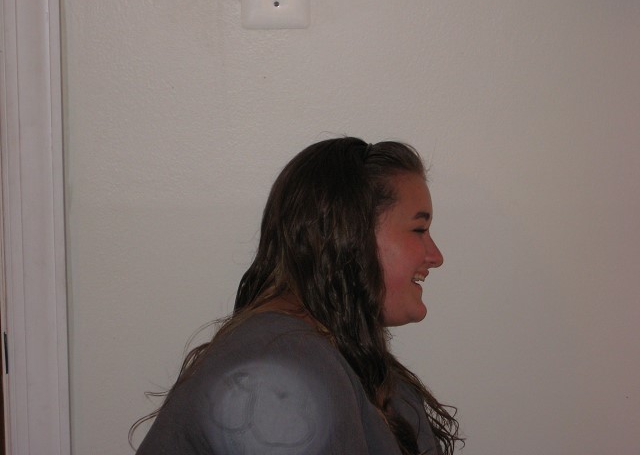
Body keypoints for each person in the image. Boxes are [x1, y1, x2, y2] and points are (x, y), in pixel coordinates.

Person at [131, 137, 462, 455]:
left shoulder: (325, 352)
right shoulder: (285, 362)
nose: (436, 256)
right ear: (349, 234)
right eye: (419, 229)